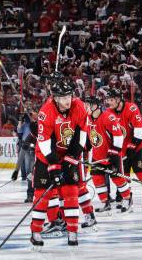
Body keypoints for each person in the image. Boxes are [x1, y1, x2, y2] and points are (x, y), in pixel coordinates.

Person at [29, 76, 88, 249]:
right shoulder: (46, 111)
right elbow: (46, 144)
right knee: (42, 195)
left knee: (71, 192)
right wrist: (54, 168)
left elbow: (80, 138)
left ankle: (72, 231)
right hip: (45, 157)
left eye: (69, 96)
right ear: (55, 98)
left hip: (68, 154)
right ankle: (36, 231)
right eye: (62, 97)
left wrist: (70, 161)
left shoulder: (80, 107)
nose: (67, 100)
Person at [105, 87, 142, 210]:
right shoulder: (109, 113)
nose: (108, 103)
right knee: (124, 175)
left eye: (111, 100)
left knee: (141, 173)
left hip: (137, 146)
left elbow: (140, 131)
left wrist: (132, 148)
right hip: (122, 149)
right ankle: (127, 199)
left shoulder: (131, 108)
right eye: (108, 100)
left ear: (118, 99)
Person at [87, 95, 132, 215]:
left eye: (89, 104)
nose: (87, 107)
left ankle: (127, 200)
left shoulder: (108, 117)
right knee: (97, 179)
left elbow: (118, 136)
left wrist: (114, 152)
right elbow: (88, 137)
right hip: (97, 156)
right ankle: (105, 203)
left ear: (96, 106)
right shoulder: (87, 119)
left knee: (117, 178)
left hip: (112, 154)